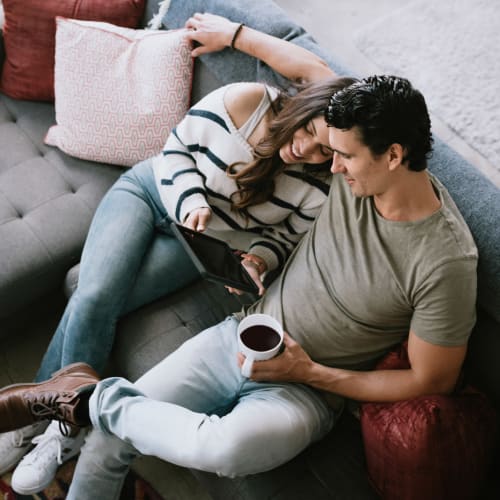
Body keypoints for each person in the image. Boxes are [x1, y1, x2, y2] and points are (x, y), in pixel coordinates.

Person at [0, 74, 478, 499]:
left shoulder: (445, 262)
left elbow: (431, 380)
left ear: (394, 156)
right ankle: (81, 403)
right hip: (242, 334)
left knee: (223, 447)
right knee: (110, 437)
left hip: (307, 392)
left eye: (345, 157)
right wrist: (236, 31)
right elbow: (311, 75)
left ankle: (85, 397)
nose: (331, 168)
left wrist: (310, 373)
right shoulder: (359, 168)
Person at [0, 13, 356, 495]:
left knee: (105, 300)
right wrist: (189, 201)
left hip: (195, 243)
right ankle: (45, 420)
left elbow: (283, 239)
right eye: (309, 131)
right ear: (305, 106)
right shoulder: (249, 101)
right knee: (94, 293)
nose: (306, 149)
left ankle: (54, 429)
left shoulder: (322, 187)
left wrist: (259, 262)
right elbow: (175, 151)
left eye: (322, 150)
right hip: (149, 192)